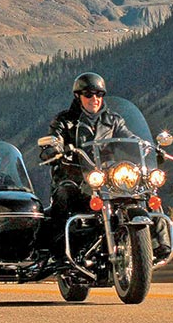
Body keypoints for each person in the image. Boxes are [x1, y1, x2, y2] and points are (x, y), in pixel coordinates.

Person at [36, 72, 138, 251]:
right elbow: (53, 138)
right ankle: (58, 248)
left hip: (107, 177)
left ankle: (162, 244)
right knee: (65, 194)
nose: (94, 99)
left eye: (99, 94)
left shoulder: (113, 120)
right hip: (73, 175)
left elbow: (129, 139)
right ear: (78, 96)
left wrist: (145, 148)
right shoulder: (65, 120)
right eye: (89, 94)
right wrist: (55, 149)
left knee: (143, 191)